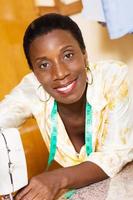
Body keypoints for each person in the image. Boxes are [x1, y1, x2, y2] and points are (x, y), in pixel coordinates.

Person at [0, 13, 132, 200]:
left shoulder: (113, 77)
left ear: (85, 55)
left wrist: (56, 180)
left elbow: (116, 153)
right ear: (34, 73)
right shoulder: (31, 90)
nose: (60, 73)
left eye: (68, 55)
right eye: (44, 65)